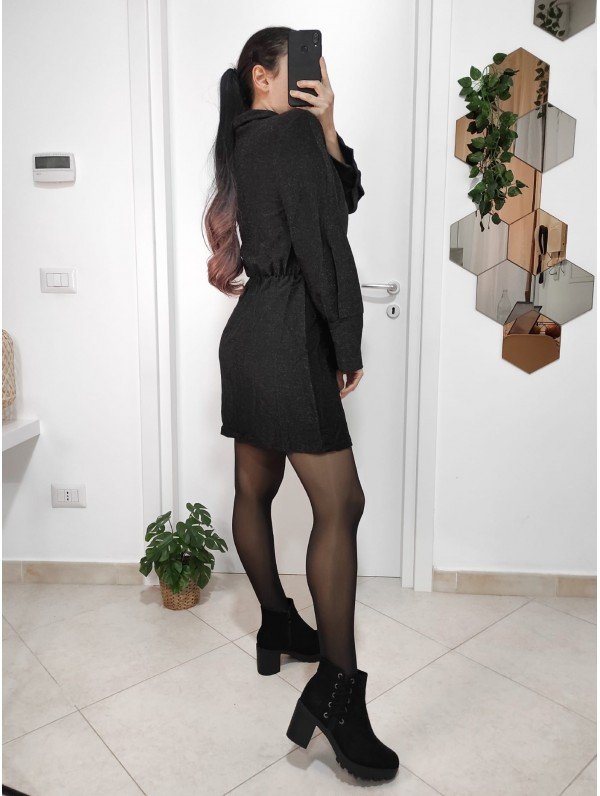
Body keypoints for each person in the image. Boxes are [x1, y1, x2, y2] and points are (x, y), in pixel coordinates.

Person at [204, 26, 399, 782]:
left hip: (252, 334)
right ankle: (338, 693)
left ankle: (277, 626)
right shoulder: (284, 134)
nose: (314, 76)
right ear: (263, 75)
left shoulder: (249, 137)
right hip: (287, 338)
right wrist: (347, 339)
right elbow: (327, 241)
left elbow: (336, 199)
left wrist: (327, 122)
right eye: (300, 68)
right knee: (342, 504)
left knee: (254, 488)